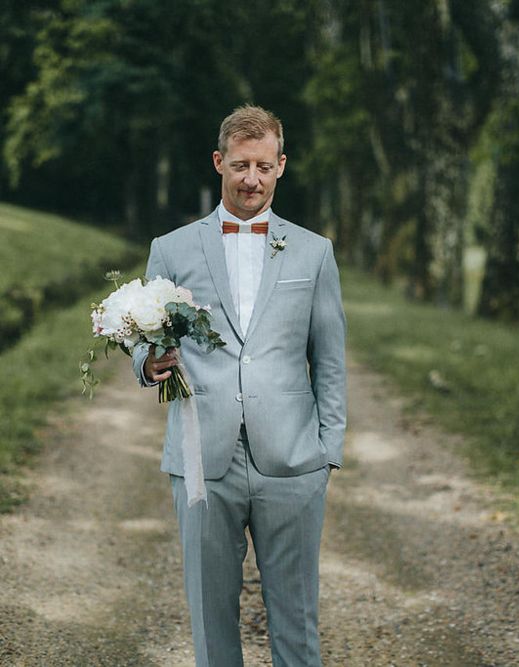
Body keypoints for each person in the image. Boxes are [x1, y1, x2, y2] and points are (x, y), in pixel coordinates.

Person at [132, 105, 347, 667]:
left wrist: (328, 451)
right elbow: (144, 331)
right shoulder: (172, 248)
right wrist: (146, 362)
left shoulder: (314, 252)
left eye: (263, 166)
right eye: (240, 165)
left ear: (281, 166)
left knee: (297, 624)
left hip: (294, 462)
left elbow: (329, 358)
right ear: (219, 163)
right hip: (204, 461)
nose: (251, 179)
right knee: (211, 623)